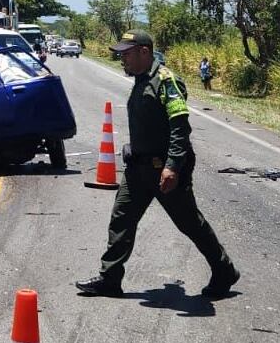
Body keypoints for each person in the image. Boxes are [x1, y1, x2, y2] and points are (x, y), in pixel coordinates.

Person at [76, 29, 239, 299]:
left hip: (163, 168)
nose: (122, 60)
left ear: (144, 51)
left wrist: (173, 166)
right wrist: (134, 147)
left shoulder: (166, 81)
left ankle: (224, 271)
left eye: (126, 54)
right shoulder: (141, 80)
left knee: (189, 223)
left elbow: (179, 127)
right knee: (122, 219)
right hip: (138, 168)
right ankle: (110, 279)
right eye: (120, 55)